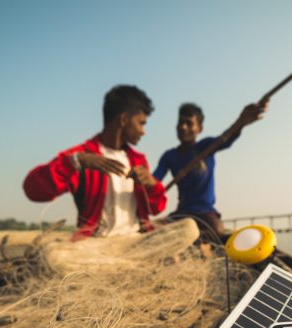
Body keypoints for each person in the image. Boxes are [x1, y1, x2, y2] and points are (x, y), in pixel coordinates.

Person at [23, 85, 167, 240]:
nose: (143, 131)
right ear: (124, 119)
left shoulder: (138, 160)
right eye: (141, 123)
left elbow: (156, 209)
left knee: (188, 230)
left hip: (136, 242)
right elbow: (32, 190)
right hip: (96, 247)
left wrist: (152, 184)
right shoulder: (81, 157)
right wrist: (75, 162)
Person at [152, 101, 267, 238]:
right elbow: (154, 181)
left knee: (218, 233)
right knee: (153, 230)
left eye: (189, 123)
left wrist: (241, 121)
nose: (183, 127)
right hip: (182, 213)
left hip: (205, 214)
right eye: (180, 122)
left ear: (199, 128)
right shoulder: (169, 156)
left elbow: (225, 138)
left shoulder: (206, 147)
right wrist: (143, 178)